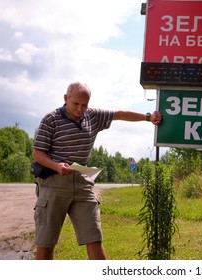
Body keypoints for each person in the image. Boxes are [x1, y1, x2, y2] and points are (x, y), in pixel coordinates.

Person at [32, 81, 162, 260]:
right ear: (66, 98)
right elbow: (37, 153)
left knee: (94, 237)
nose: (80, 109)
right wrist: (56, 165)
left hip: (82, 183)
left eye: (84, 105)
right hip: (54, 183)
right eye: (75, 104)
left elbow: (119, 114)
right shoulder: (51, 119)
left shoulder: (92, 116)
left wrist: (148, 117)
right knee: (46, 242)